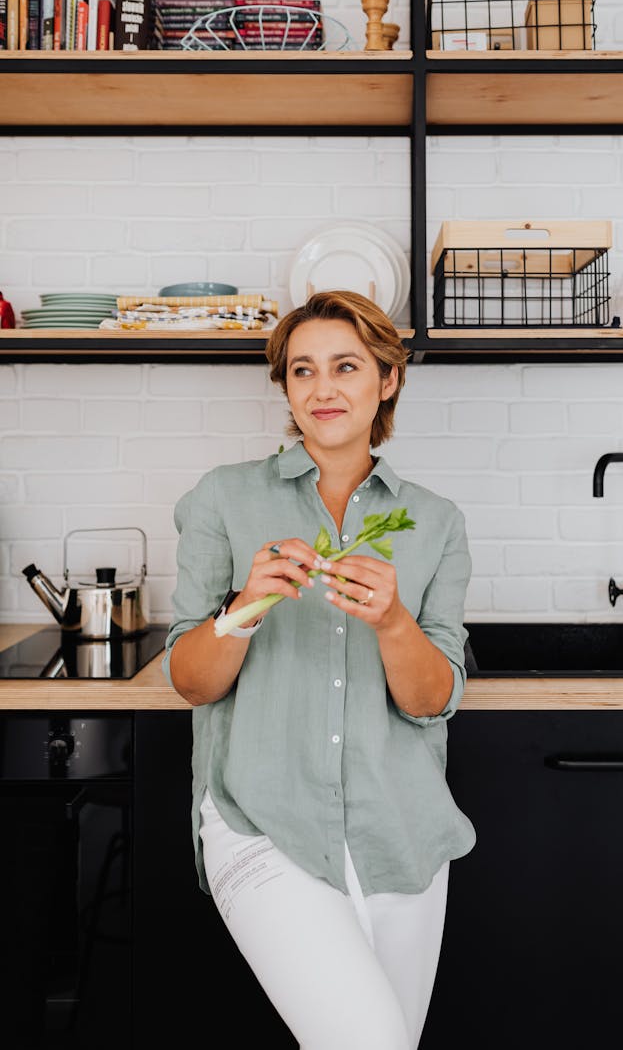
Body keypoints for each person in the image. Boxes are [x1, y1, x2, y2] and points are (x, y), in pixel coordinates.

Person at [163, 289, 475, 1050]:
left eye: (345, 366)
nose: (322, 389)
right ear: (286, 388)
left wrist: (395, 623)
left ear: (387, 379)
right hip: (263, 821)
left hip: (402, 833)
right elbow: (190, 679)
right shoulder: (224, 497)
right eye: (302, 371)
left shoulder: (434, 522)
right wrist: (244, 607)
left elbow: (433, 698)